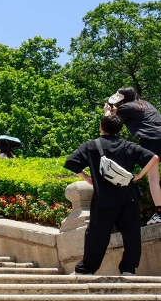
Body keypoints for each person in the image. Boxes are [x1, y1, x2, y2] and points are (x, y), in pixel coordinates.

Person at [64, 113, 158, 276]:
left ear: (101, 127)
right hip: (129, 197)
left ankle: (86, 269)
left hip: (104, 200)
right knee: (132, 235)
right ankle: (128, 269)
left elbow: (71, 162)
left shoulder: (92, 145)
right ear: (119, 130)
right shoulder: (128, 145)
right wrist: (138, 176)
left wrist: (86, 177)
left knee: (96, 236)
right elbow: (153, 157)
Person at [105, 87, 161, 225]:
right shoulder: (146, 104)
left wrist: (107, 113)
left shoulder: (125, 108)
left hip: (150, 141)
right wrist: (115, 112)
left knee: (153, 178)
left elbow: (109, 127)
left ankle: (159, 213)